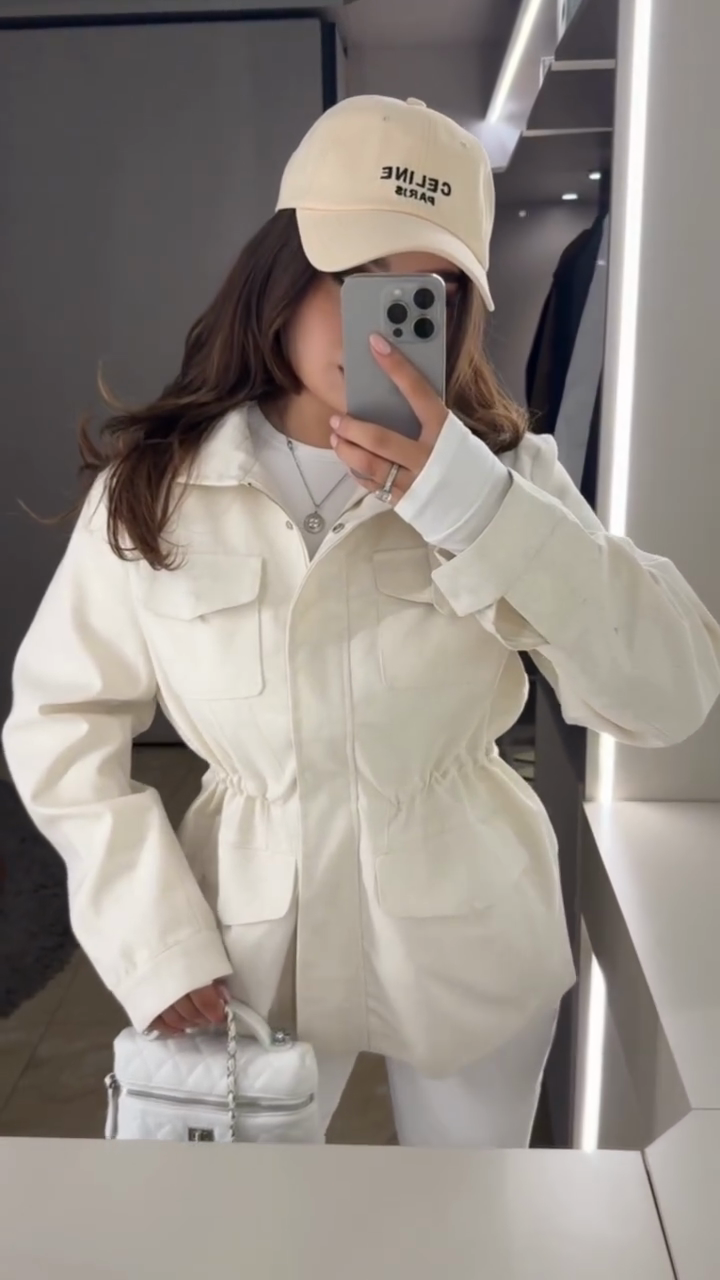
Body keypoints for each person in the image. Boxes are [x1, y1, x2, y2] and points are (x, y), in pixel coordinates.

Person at [4, 95, 720, 1148]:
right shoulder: (158, 488)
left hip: (468, 938)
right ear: (281, 274)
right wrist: (150, 935)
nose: (379, 322)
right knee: (243, 1227)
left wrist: (476, 510)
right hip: (243, 948)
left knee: (472, 1219)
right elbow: (59, 725)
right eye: (353, 275)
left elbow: (672, 693)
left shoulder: (510, 480)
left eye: (421, 293)